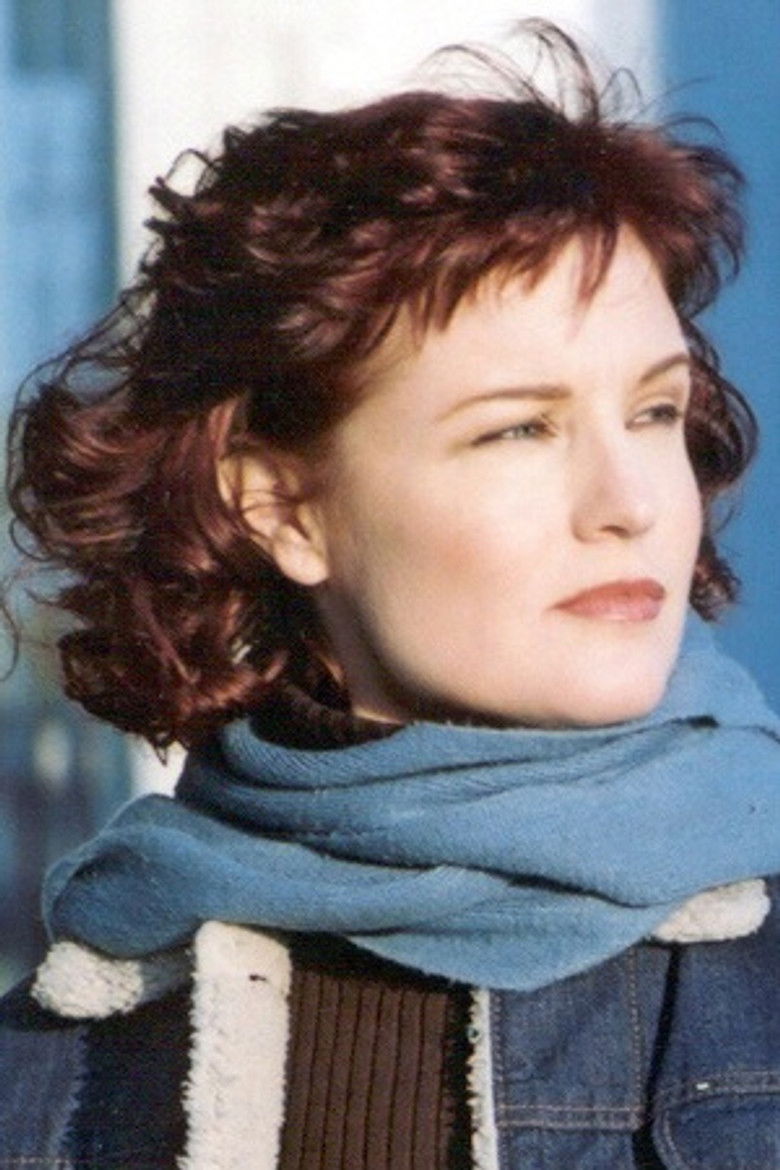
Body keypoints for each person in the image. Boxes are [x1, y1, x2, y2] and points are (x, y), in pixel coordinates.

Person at [2, 19, 780, 1170]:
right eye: (520, 429)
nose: (631, 503)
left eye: (654, 412)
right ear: (282, 508)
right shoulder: (59, 1068)